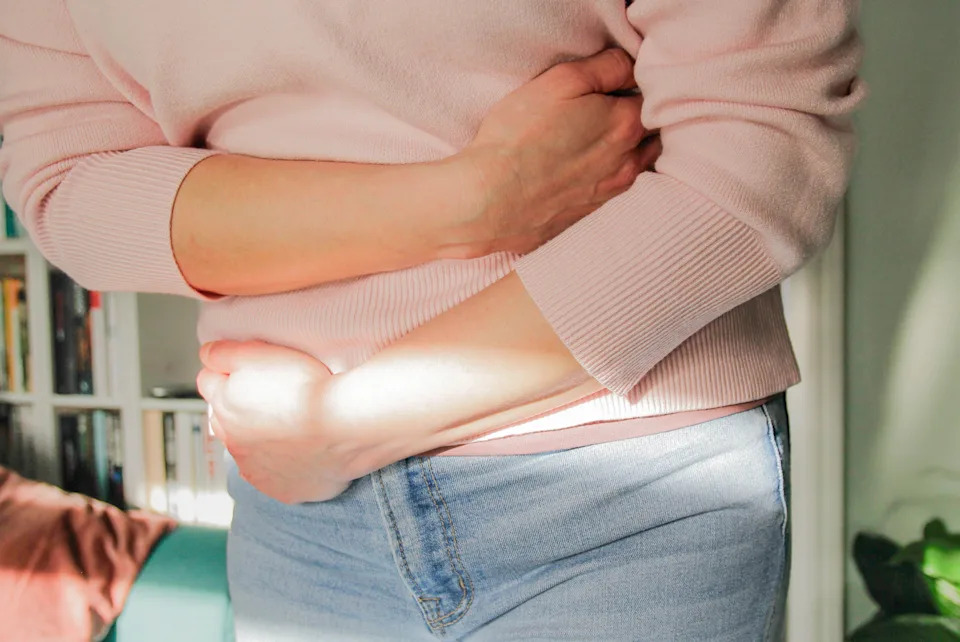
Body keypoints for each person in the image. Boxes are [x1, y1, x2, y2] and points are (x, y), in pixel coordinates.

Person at [0, 1, 865, 639]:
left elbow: (760, 156)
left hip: (627, 490)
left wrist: (343, 423)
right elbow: (71, 192)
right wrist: (468, 202)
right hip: (301, 521)